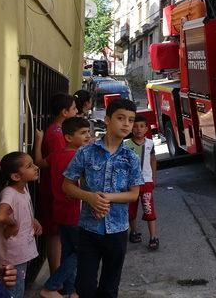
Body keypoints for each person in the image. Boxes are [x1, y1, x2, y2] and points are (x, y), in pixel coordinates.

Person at [63, 98, 144, 297]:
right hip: (89, 230)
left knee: (109, 288)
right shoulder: (86, 152)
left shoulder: (131, 157)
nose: (126, 124)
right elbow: (67, 185)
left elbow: (134, 194)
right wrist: (89, 197)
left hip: (117, 231)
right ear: (107, 120)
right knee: (84, 287)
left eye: (131, 120)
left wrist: (106, 198)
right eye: (120, 118)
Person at [34, 117, 92, 298]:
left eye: (88, 132)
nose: (88, 136)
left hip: (59, 212)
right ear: (67, 137)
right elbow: (84, 185)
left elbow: (38, 162)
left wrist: (38, 142)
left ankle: (70, 290)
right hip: (75, 212)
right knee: (83, 251)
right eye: (83, 133)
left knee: (68, 252)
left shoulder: (56, 155)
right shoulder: (79, 158)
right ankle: (51, 286)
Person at [0, 152, 43, 298]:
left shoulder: (24, 188)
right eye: (29, 166)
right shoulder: (9, 193)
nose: (35, 168)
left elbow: (23, 209)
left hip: (20, 250)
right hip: (12, 255)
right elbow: (0, 216)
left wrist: (33, 221)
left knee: (17, 288)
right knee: (14, 292)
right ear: (16, 176)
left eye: (33, 164)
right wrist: (13, 224)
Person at [40, 93, 78, 274]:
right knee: (55, 234)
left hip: (57, 190)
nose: (77, 112)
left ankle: (59, 275)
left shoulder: (58, 131)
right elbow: (60, 165)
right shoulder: (57, 135)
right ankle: (57, 276)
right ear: (64, 112)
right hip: (57, 191)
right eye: (74, 109)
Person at [124, 114, 159, 250]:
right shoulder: (126, 145)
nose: (139, 129)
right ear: (131, 129)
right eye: (135, 126)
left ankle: (153, 237)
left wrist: (154, 178)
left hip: (146, 182)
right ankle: (134, 231)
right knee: (131, 210)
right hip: (131, 184)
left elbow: (153, 160)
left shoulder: (150, 143)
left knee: (149, 209)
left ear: (146, 128)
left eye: (142, 126)